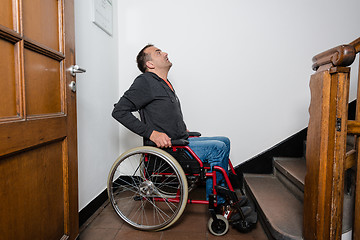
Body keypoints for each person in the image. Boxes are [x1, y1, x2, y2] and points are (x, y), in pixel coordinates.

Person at [112, 44, 231, 204]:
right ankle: (220, 203)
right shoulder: (145, 81)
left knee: (224, 140)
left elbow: (163, 115)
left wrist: (182, 129)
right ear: (150, 64)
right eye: (158, 52)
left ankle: (224, 192)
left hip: (180, 140)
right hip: (170, 149)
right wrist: (152, 134)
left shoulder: (164, 83)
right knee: (218, 148)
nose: (165, 53)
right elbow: (119, 111)